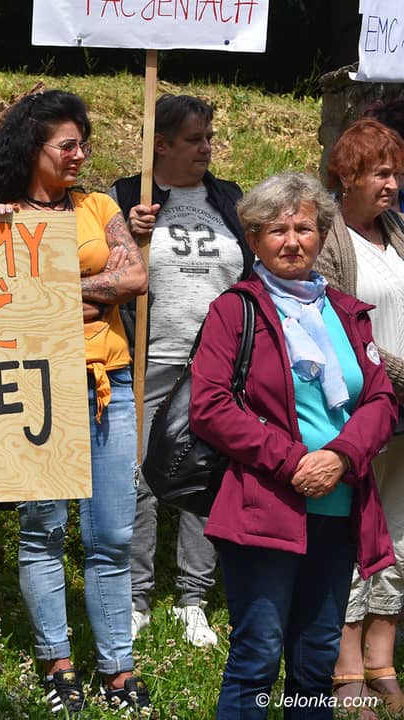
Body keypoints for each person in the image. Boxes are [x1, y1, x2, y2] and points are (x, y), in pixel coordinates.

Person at [190, 172, 397, 719]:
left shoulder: (346, 312)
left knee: (316, 659)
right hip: (265, 508)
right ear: (253, 239)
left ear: (321, 236)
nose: (291, 241)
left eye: (303, 228)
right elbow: (210, 407)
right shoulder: (235, 310)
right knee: (257, 657)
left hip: (339, 508)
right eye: (276, 230)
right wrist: (295, 461)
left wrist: (341, 456)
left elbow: (380, 399)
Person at [0, 90, 151, 714]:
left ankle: (118, 668)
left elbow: (135, 277)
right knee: (43, 529)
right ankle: (57, 662)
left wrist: (56, 290)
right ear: (34, 147)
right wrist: (86, 293)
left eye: (83, 144)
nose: (80, 155)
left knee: (112, 534)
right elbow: (0, 301)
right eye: (67, 145)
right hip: (36, 385)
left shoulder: (100, 206)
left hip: (110, 383)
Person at [109, 94, 252, 648]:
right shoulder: (127, 196)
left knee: (205, 475)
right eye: (194, 139)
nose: (206, 148)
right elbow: (100, 263)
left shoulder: (229, 198)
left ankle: (194, 599)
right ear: (161, 144)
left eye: (209, 137)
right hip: (148, 358)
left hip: (219, 364)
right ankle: (135, 597)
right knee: (140, 478)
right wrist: (129, 230)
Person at [315, 118, 404, 712]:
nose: (393, 185)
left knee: (399, 527)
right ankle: (345, 661)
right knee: (356, 530)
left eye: (396, 173)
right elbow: (341, 328)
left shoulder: (398, 231)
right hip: (362, 404)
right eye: (381, 173)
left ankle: (382, 656)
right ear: (347, 177)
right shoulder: (329, 239)